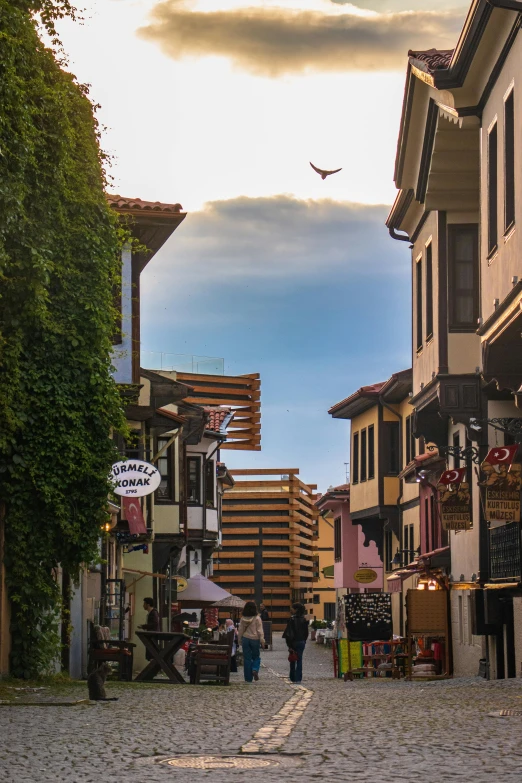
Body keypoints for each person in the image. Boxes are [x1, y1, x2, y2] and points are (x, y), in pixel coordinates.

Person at [238, 601, 265, 682]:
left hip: (245, 639)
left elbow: (240, 630)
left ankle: (248, 678)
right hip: (255, 639)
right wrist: (262, 641)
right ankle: (255, 669)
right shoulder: (257, 618)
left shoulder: (243, 618)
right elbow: (260, 630)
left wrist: (239, 640)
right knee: (256, 657)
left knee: (247, 659)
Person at [283, 602, 309, 684]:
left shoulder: (292, 619)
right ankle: (298, 678)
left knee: (293, 658)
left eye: (292, 608)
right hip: (301, 641)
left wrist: (289, 644)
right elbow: (306, 632)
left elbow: (288, 633)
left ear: (296, 609)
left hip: (293, 641)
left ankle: (293, 677)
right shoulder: (304, 619)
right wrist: (304, 640)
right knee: (299, 659)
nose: (291, 609)